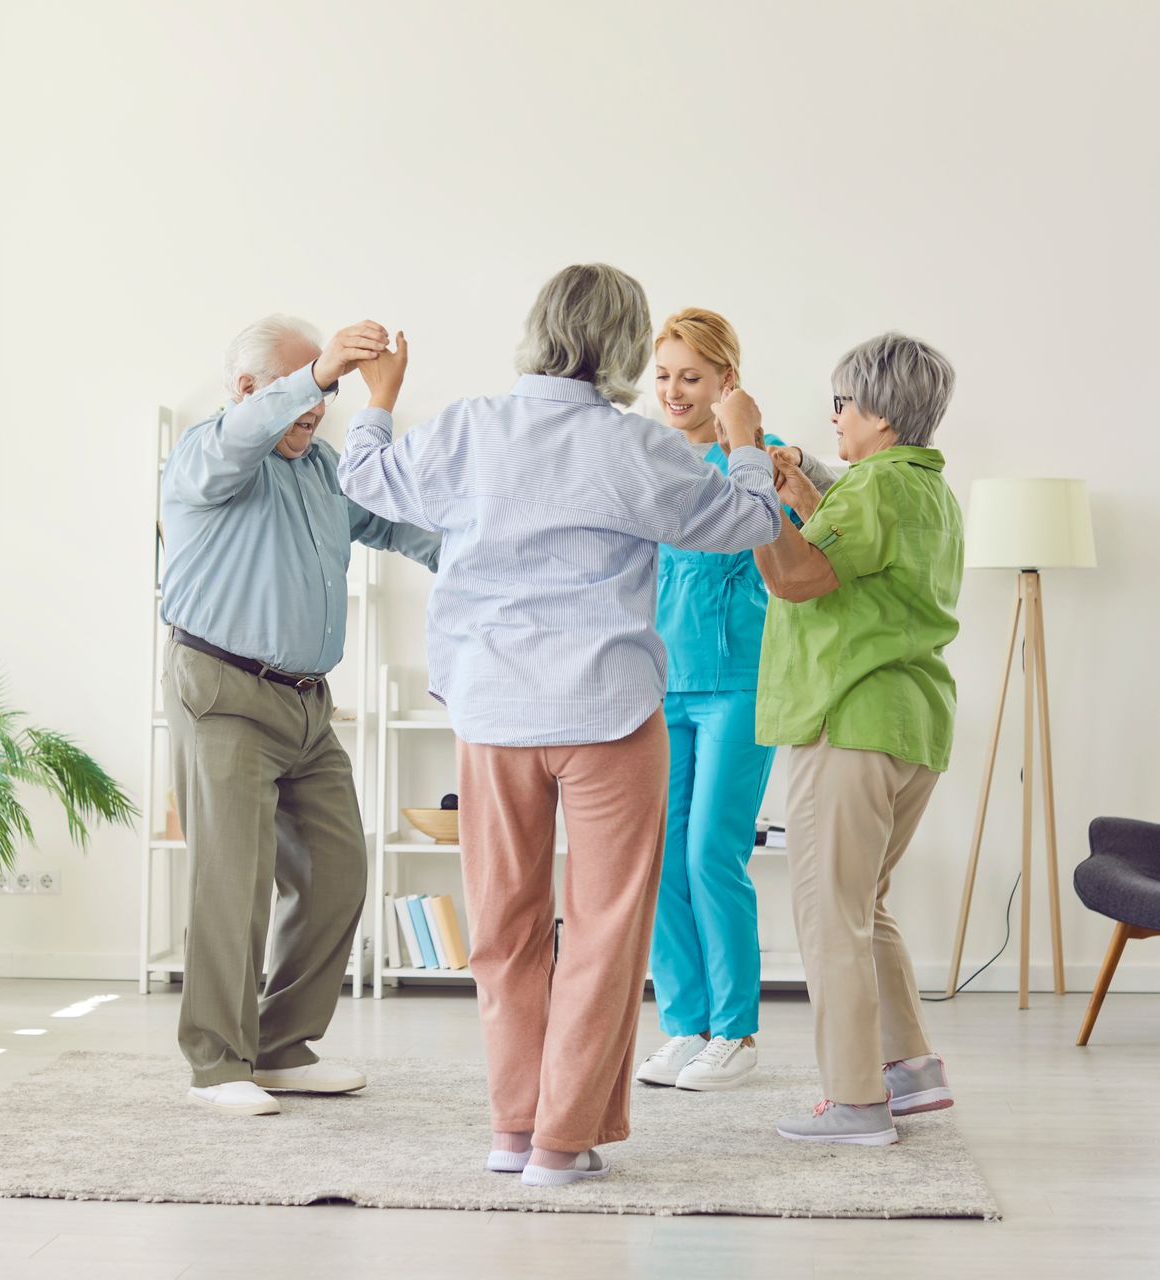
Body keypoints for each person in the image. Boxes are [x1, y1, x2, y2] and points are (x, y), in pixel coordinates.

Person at [337, 264, 783, 1186]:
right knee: (605, 932)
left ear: (538, 329)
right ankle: (560, 1142)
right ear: (626, 350)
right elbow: (747, 520)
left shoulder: (468, 428)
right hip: (610, 713)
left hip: (493, 712)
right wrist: (741, 439)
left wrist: (380, 399)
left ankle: (512, 1130)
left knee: (504, 928)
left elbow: (368, 478)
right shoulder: (636, 449)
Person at [161, 314, 440, 1117]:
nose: (317, 412)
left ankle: (281, 1049)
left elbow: (398, 527)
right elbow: (247, 435)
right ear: (251, 389)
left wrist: (495, 556)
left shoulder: (321, 472)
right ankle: (217, 1064)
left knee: (336, 869)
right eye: (304, 395)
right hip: (222, 689)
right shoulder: (209, 454)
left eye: (325, 402)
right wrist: (318, 372)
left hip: (307, 704)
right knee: (231, 882)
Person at [746, 331, 963, 1146]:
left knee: (828, 917)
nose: (832, 418)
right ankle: (909, 1072)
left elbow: (798, 577)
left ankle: (855, 1103)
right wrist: (803, 494)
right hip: (909, 726)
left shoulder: (875, 489)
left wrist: (755, 485)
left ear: (877, 413)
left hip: (849, 723)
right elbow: (854, 559)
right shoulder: (925, 492)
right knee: (864, 906)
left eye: (841, 404)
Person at [636, 308, 838, 1093]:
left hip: (738, 685)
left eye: (691, 376)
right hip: (659, 686)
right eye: (663, 376)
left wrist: (768, 458)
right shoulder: (646, 455)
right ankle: (685, 1027)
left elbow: (824, 536)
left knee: (711, 853)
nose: (674, 390)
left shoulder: (765, 456)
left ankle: (737, 1033)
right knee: (659, 862)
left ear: (727, 381)